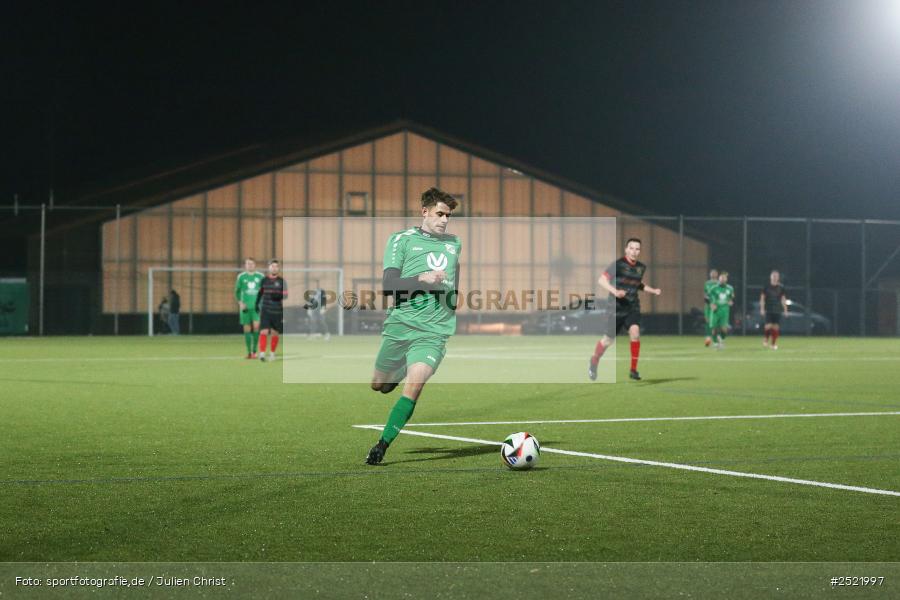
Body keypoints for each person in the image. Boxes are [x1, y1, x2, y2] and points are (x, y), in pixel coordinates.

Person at [365, 187, 461, 465]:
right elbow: (389, 285)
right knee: (379, 385)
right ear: (425, 212)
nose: (444, 220)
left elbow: (455, 277)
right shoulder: (401, 240)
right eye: (440, 214)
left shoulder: (454, 243)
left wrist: (452, 302)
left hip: (434, 331)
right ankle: (397, 372)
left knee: (415, 386)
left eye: (448, 216)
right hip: (401, 325)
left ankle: (382, 445)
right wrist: (422, 279)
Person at [588, 238, 662, 382]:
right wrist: (615, 292)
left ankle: (633, 370)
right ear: (626, 249)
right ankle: (594, 360)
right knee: (608, 340)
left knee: (635, 333)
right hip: (615, 308)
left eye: (637, 249)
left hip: (632, 307)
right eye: (631, 248)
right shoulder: (618, 265)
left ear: (640, 251)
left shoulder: (641, 267)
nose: (634, 251)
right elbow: (602, 280)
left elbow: (638, 284)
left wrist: (653, 290)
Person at [256, 260, 288, 362]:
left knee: (275, 333)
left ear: (278, 268)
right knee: (264, 331)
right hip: (265, 310)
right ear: (269, 268)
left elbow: (285, 295)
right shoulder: (264, 280)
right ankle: (262, 353)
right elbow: (260, 293)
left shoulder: (282, 281)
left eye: (276, 266)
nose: (274, 268)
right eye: (272, 266)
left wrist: (278, 296)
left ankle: (272, 353)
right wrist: (256, 304)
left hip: (277, 311)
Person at [235, 257, 264, 358]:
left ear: (255, 265)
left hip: (256, 307)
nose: (250, 265)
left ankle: (254, 351)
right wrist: (240, 303)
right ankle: (249, 352)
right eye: (248, 264)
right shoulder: (241, 277)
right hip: (245, 307)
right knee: (247, 328)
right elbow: (237, 292)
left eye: (252, 264)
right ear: (245, 265)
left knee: (256, 327)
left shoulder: (260, 276)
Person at [761, 270, 788, 350]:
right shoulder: (766, 287)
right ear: (770, 277)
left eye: (776, 276)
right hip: (768, 309)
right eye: (773, 276)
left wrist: (785, 310)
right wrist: (762, 309)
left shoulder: (781, 287)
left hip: (777, 309)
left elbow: (783, 299)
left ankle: (773, 344)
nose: (775, 278)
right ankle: (766, 338)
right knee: (768, 326)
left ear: (778, 278)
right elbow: (762, 298)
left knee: (775, 327)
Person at [708, 271, 735, 349]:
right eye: (721, 278)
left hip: (724, 311)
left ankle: (722, 340)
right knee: (714, 328)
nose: (722, 279)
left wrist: (731, 301)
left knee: (724, 329)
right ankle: (715, 343)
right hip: (715, 311)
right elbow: (708, 298)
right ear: (719, 279)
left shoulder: (730, 288)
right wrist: (711, 304)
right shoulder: (713, 288)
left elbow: (731, 297)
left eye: (724, 278)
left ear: (726, 279)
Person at [703, 268, 719, 347]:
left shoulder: (719, 284)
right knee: (707, 320)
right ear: (710, 274)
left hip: (716, 305)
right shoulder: (707, 283)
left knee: (715, 322)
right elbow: (705, 294)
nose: (713, 274)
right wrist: (709, 303)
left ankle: (716, 338)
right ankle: (708, 337)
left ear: (717, 274)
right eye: (712, 273)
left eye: (714, 273)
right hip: (708, 305)